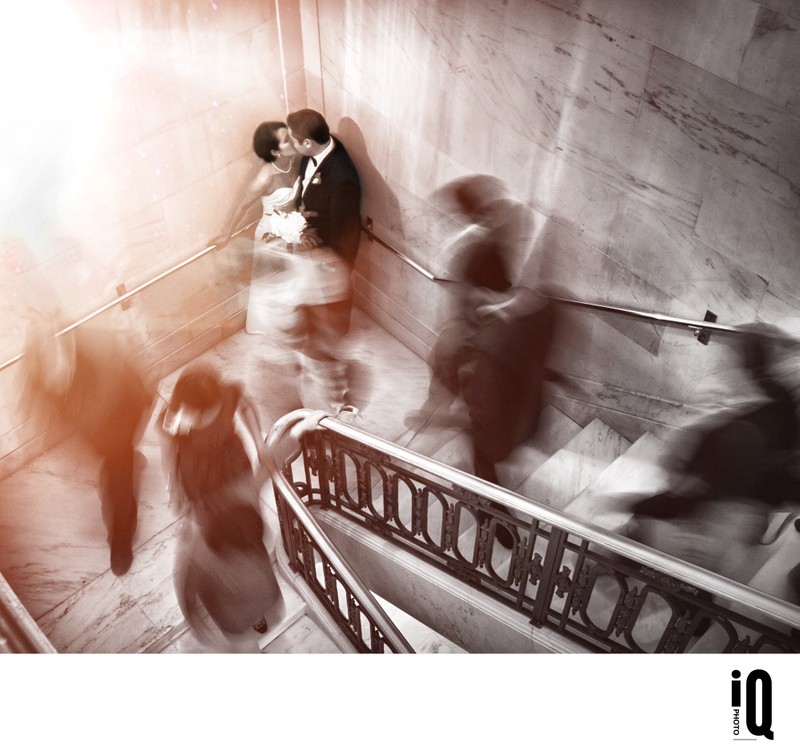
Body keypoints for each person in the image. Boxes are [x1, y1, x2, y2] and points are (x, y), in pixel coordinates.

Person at [159, 364, 285, 651]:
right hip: (201, 484)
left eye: (216, 407)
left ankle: (253, 591)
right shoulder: (176, 415)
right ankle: (224, 594)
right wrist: (174, 488)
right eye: (208, 411)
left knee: (245, 531)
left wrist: (259, 441)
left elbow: (246, 406)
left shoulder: (224, 395)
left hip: (233, 469)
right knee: (214, 541)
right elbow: (168, 449)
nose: (215, 412)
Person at [20, 320, 153, 576]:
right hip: (99, 432)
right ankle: (126, 460)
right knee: (117, 463)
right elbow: (42, 403)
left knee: (120, 480)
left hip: (120, 420)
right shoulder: (40, 370)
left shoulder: (97, 346)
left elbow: (128, 378)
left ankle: (121, 539)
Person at [285, 108, 362, 414]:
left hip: (328, 260)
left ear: (307, 143)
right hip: (311, 256)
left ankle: (335, 395)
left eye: (293, 140)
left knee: (323, 329)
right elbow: (305, 195)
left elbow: (344, 230)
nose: (291, 145)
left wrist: (330, 266)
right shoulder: (310, 154)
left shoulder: (342, 177)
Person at [210, 121, 302, 337]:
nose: (293, 140)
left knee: (291, 276)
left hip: (292, 230)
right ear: (274, 151)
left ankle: (291, 319)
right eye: (287, 139)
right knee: (273, 280)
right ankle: (270, 325)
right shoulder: (265, 177)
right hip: (271, 234)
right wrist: (226, 235)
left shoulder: (295, 161)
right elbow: (242, 205)